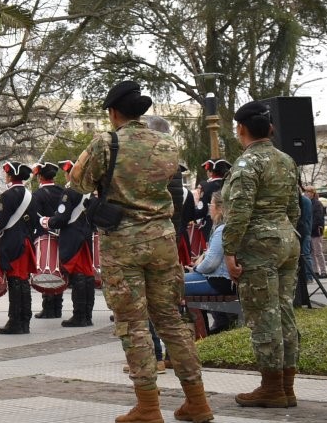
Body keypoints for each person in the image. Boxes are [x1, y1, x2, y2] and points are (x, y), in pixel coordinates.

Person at [69, 80, 213, 423]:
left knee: (133, 323)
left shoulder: (106, 142)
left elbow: (79, 182)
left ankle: (148, 406)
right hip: (162, 239)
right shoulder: (166, 143)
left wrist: (88, 154)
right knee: (171, 320)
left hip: (123, 243)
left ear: (113, 112)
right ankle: (198, 401)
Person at [219, 100, 301, 408]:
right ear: (270, 129)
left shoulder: (246, 164)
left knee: (263, 316)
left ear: (241, 129)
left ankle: (271, 387)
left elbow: (239, 212)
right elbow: (294, 208)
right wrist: (284, 233)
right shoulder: (286, 160)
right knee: (284, 313)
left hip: (258, 246)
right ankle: (287, 386)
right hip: (286, 240)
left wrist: (229, 251)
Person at [0, 160, 36, 335]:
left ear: (11, 175)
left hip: (13, 243)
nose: (5, 176)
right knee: (23, 281)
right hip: (26, 242)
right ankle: (24, 320)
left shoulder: (8, 196)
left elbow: (0, 222)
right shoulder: (30, 195)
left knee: (16, 281)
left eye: (7, 174)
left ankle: (15, 321)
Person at [45, 159, 98, 328]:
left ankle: (79, 315)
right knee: (86, 274)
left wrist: (48, 222)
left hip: (73, 236)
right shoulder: (89, 191)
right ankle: (87, 314)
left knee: (78, 275)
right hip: (85, 234)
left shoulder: (70, 190)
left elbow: (62, 217)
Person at [184, 193, 234, 335]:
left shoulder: (221, 229)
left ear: (219, 208)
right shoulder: (226, 227)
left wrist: (196, 268)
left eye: (210, 205)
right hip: (222, 280)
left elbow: (211, 263)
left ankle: (197, 334)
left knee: (173, 284)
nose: (209, 209)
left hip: (218, 281)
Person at [30, 162, 68, 320]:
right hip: (61, 234)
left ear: (39, 177)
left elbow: (34, 217)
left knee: (46, 269)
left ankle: (48, 307)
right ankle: (57, 307)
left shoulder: (37, 195)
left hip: (44, 234)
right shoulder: (62, 191)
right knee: (58, 269)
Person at [307, 187, 327, 280]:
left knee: (318, 252)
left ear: (313, 193)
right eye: (306, 192)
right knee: (312, 252)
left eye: (308, 192)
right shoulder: (309, 203)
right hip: (309, 231)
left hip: (316, 231)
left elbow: (318, 218)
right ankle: (315, 271)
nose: (307, 193)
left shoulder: (317, 203)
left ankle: (323, 271)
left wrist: (313, 227)